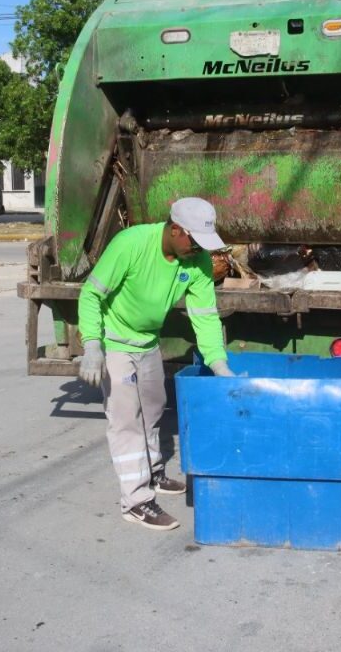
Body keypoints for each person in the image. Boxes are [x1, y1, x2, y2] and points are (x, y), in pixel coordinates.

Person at [77, 197, 235, 531]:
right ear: (175, 229)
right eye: (193, 240)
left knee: (153, 409)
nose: (198, 249)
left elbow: (205, 316)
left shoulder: (198, 261)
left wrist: (219, 363)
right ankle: (136, 501)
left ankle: (153, 472)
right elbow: (91, 295)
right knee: (126, 421)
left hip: (147, 341)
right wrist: (92, 345)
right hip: (115, 342)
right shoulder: (131, 244)